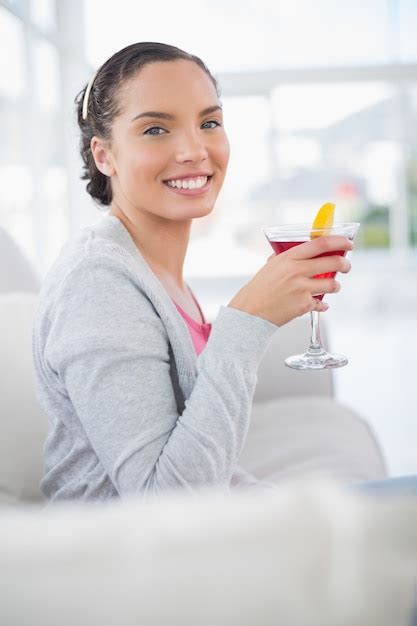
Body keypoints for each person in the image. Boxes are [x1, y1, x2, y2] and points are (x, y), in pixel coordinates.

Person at [33, 41, 359, 502]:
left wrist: (286, 510)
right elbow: (164, 501)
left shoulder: (150, 268)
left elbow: (205, 460)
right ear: (104, 155)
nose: (193, 150)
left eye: (209, 123)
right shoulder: (98, 283)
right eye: (155, 130)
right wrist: (248, 321)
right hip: (118, 561)